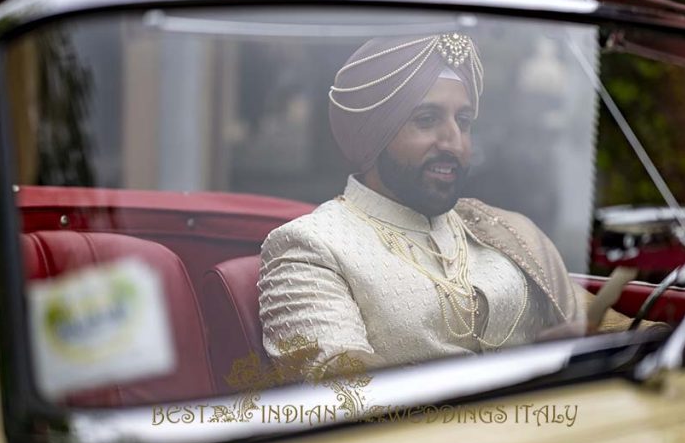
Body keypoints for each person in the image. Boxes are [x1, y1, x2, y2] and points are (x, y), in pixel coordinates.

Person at [257, 33, 641, 376]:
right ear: (374, 134)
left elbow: (615, 330)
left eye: (464, 121)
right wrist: (530, 370)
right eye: (426, 120)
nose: (454, 142)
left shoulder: (503, 230)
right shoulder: (309, 246)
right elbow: (340, 392)